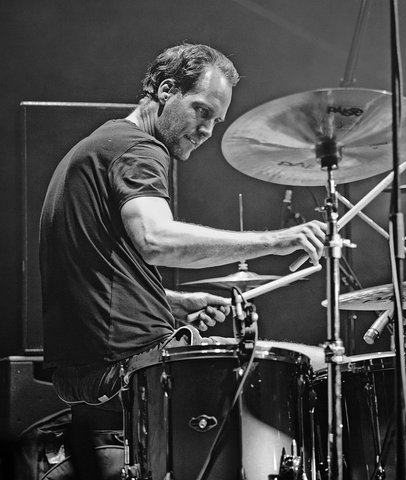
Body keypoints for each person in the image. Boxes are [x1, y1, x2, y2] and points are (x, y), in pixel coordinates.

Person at [39, 43, 325, 477]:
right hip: (134, 373)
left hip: (92, 379)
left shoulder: (99, 146)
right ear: (166, 90)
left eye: (216, 120)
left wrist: (172, 302)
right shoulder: (137, 149)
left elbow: (95, 271)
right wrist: (276, 240)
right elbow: (156, 240)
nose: (207, 129)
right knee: (316, 365)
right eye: (201, 111)